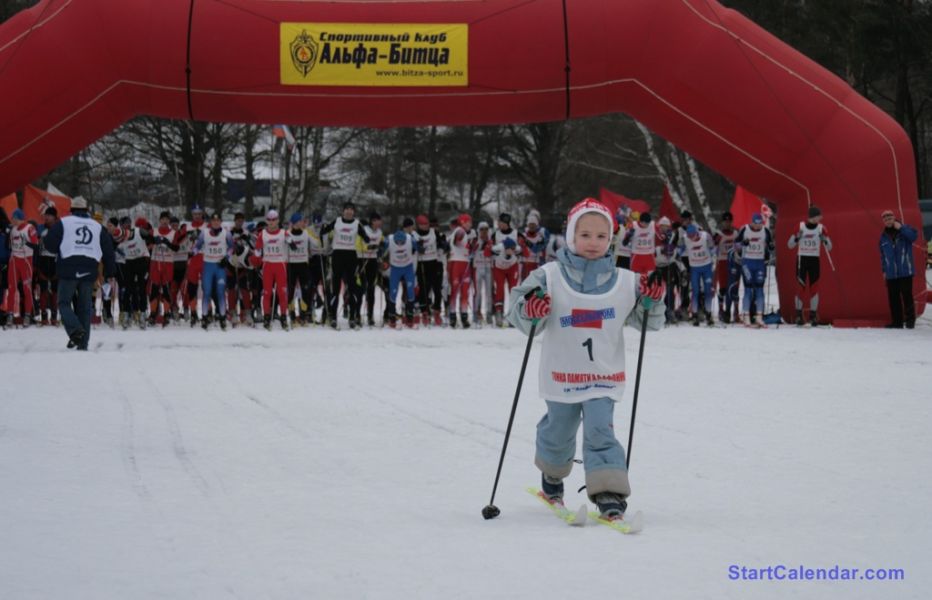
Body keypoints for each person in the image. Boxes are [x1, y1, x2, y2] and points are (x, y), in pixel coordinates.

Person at [506, 198, 665, 521]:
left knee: (600, 431)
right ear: (570, 236)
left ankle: (609, 492)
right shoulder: (548, 276)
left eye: (601, 236)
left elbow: (650, 321)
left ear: (611, 240)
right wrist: (530, 310)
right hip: (562, 375)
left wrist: (651, 301)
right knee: (558, 430)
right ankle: (552, 475)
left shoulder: (625, 280)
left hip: (602, 375)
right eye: (585, 235)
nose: (593, 243)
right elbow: (517, 310)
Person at [43, 197, 116, 350]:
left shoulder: (64, 222)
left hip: (68, 269)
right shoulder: (97, 226)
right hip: (89, 269)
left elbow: (49, 244)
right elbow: (108, 250)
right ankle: (83, 344)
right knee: (84, 307)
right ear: (86, 210)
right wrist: (110, 271)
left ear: (72, 209)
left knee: (63, 303)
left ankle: (76, 330)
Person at [320, 201, 370, 329]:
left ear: (354, 212)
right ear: (343, 211)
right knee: (335, 288)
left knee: (352, 288)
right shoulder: (336, 221)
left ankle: (352, 317)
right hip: (338, 256)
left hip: (351, 257)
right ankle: (333, 317)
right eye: (346, 209)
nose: (349, 211)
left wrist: (366, 237)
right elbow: (324, 231)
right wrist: (323, 230)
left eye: (351, 209)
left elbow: (365, 237)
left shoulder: (356, 223)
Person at [788, 205, 832, 326]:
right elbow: (790, 245)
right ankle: (798, 316)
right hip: (802, 259)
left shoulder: (821, 228)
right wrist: (797, 237)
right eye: (819, 215)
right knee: (801, 288)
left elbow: (830, 247)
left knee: (814, 289)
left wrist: (825, 240)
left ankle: (813, 316)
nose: (821, 217)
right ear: (813, 217)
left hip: (814, 260)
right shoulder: (800, 226)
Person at [879, 209, 918, 329]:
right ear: (883, 222)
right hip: (891, 273)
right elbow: (883, 256)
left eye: (890, 217)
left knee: (907, 296)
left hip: (905, 270)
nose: (888, 220)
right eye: (885, 219)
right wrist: (884, 271)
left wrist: (900, 227)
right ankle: (897, 322)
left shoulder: (904, 230)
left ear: (894, 218)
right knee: (893, 298)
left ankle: (910, 322)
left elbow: (913, 237)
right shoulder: (883, 237)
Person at [195, 212, 234, 330]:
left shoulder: (226, 233)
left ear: (220, 222)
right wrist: (193, 252)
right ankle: (205, 317)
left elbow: (232, 247)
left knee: (220, 292)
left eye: (218, 221)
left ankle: (222, 317)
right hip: (208, 266)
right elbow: (197, 246)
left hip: (220, 266)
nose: (216, 223)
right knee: (206, 292)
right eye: (213, 221)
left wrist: (226, 258)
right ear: (210, 222)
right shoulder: (204, 233)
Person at [252, 209, 289, 330]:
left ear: (278, 220)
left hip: (280, 265)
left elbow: (292, 240)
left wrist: (292, 242)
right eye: (269, 220)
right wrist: (256, 259)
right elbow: (257, 249)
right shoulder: (263, 234)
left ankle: (283, 316)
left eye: (274, 220)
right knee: (267, 293)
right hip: (267, 265)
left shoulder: (283, 233)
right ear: (267, 221)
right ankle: (267, 317)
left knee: (282, 293)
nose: (272, 222)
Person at [735, 213, 774, 328]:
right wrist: (743, 244)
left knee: (759, 289)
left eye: (759, 223)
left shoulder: (766, 231)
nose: (757, 226)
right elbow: (736, 246)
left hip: (760, 263)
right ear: (752, 222)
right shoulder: (745, 229)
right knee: (747, 289)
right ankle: (746, 316)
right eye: (755, 223)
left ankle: (759, 317)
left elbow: (770, 245)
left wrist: (771, 247)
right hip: (747, 263)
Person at [488, 213, 524, 327]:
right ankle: (499, 313)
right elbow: (489, 250)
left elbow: (523, 249)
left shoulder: (516, 233)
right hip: (499, 267)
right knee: (499, 290)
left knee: (513, 290)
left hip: (512, 266)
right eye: (499, 222)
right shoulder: (495, 234)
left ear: (506, 223)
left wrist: (515, 248)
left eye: (501, 222)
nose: (499, 224)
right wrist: (495, 249)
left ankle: (513, 315)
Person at [679, 224, 716, 326]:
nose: (691, 238)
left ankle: (708, 314)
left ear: (697, 233)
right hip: (694, 268)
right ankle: (695, 315)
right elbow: (679, 249)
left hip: (706, 266)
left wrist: (713, 254)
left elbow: (713, 249)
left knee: (708, 291)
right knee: (695, 291)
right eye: (689, 236)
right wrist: (677, 253)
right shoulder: (685, 237)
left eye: (693, 236)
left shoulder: (705, 236)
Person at [148, 211, 180, 326]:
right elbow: (147, 245)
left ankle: (166, 313)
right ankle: (153, 314)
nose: (165, 221)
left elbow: (176, 248)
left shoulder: (173, 233)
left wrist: (167, 243)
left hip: (168, 263)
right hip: (155, 263)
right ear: (160, 220)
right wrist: (153, 242)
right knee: (154, 289)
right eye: (163, 219)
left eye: (167, 219)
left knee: (166, 289)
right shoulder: (154, 231)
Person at [8, 208, 39, 326]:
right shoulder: (13, 229)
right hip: (14, 260)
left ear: (19, 218)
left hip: (26, 260)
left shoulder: (30, 228)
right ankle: (10, 315)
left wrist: (25, 242)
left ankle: (27, 315)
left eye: (14, 218)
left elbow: (36, 246)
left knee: (27, 289)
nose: (13, 220)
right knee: (12, 288)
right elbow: (10, 244)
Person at [385, 217, 419, 328]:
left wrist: (420, 247)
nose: (400, 244)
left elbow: (418, 247)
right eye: (398, 242)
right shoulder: (389, 239)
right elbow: (382, 250)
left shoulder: (410, 238)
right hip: (395, 268)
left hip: (408, 268)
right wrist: (379, 250)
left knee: (410, 292)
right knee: (393, 292)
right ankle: (392, 318)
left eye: (402, 242)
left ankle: (410, 318)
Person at [413, 214, 444, 326]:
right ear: (418, 225)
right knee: (423, 290)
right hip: (421, 264)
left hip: (434, 263)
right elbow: (411, 248)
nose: (426, 226)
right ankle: (425, 312)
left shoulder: (433, 232)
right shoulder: (414, 234)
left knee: (437, 289)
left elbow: (440, 243)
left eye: (427, 224)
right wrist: (417, 247)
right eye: (423, 225)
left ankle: (436, 312)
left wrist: (443, 244)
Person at [447, 213, 476, 328]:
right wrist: (470, 245)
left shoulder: (468, 232)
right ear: (463, 222)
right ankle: (453, 316)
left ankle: (464, 316)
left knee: (465, 291)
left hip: (465, 263)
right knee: (455, 289)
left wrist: (472, 244)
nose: (471, 224)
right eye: (469, 222)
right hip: (457, 263)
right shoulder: (460, 230)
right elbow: (457, 242)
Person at [286, 213, 315, 325]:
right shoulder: (287, 233)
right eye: (297, 222)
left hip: (303, 264)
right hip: (291, 265)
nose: (300, 223)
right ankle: (292, 314)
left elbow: (316, 243)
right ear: (293, 223)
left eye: (301, 221)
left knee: (305, 290)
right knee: (291, 291)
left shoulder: (306, 233)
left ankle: (303, 314)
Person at [358, 212, 385, 327]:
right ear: (372, 221)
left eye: (380, 221)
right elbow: (357, 244)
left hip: (373, 260)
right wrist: (368, 247)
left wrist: (381, 248)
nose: (380, 223)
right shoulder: (364, 230)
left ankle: (370, 315)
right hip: (362, 259)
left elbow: (383, 242)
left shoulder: (379, 232)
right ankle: (356, 314)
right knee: (361, 287)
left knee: (371, 288)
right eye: (378, 220)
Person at [712, 211, 740, 323]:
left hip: (734, 262)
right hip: (722, 262)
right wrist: (715, 245)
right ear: (722, 222)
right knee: (723, 288)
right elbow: (712, 245)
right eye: (725, 221)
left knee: (734, 288)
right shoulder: (718, 233)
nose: (727, 224)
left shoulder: (736, 234)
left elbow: (740, 245)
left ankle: (736, 312)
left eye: (729, 221)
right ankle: (721, 311)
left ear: (731, 222)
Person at [35, 207, 59, 325]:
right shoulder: (40, 228)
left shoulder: (59, 228)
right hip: (43, 260)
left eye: (49, 215)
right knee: (43, 290)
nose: (46, 217)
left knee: (55, 290)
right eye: (45, 215)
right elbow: (35, 245)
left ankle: (54, 316)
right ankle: (43, 316)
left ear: (54, 217)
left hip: (55, 261)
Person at [472, 222, 494, 327]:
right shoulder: (475, 240)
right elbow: (470, 252)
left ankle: (489, 313)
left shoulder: (491, 241)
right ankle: (476, 313)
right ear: (478, 230)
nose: (484, 231)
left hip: (488, 268)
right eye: (482, 229)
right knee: (478, 293)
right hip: (478, 268)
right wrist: (475, 246)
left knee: (489, 292)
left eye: (486, 229)